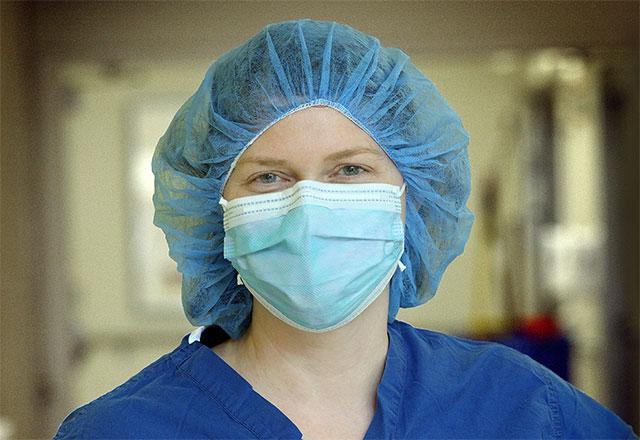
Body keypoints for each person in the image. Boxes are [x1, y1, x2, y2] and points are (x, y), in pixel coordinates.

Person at [54, 19, 636, 439]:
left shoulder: (520, 409)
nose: (310, 206)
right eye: (268, 178)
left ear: (411, 198)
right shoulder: (123, 429)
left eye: (349, 170)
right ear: (218, 216)